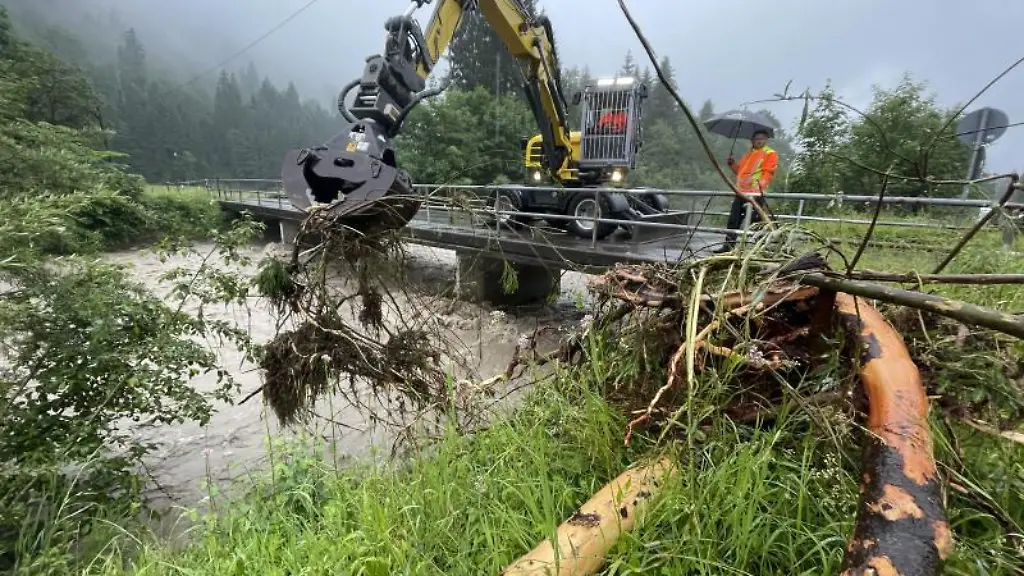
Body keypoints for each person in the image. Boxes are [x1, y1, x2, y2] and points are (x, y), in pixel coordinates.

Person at [714, 129, 778, 252]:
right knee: (733, 220)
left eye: (761, 138)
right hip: (741, 192)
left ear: (766, 140)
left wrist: (760, 189)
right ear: (752, 140)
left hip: (755, 194)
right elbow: (740, 172)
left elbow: (768, 173)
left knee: (756, 223)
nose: (758, 141)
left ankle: (759, 249)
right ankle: (728, 246)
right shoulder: (749, 154)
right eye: (756, 138)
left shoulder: (770, 153)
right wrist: (732, 164)